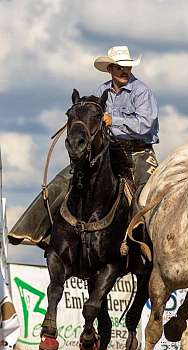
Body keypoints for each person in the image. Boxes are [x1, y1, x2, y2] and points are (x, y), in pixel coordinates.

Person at [8, 46, 159, 248]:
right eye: (120, 67)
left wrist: (113, 120)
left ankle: (149, 242)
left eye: (127, 66)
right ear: (110, 69)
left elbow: (146, 124)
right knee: (63, 180)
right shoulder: (99, 92)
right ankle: (32, 229)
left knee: (149, 190)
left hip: (139, 151)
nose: (125, 71)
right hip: (107, 151)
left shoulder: (141, 92)